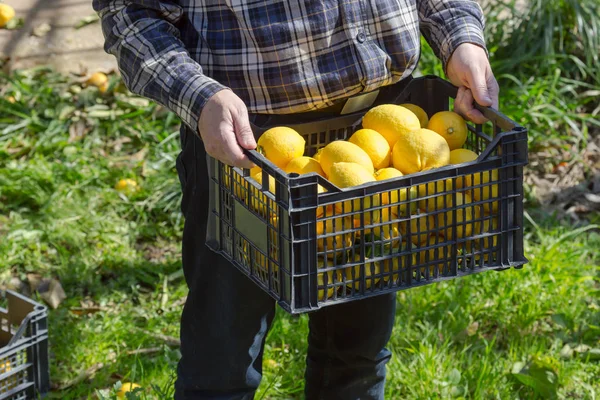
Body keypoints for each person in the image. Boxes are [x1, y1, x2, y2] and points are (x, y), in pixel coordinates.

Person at [93, 1, 499, 398]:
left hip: (380, 141)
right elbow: (129, 13)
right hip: (246, 148)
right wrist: (197, 94)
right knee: (222, 365)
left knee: (356, 355)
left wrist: (459, 37)